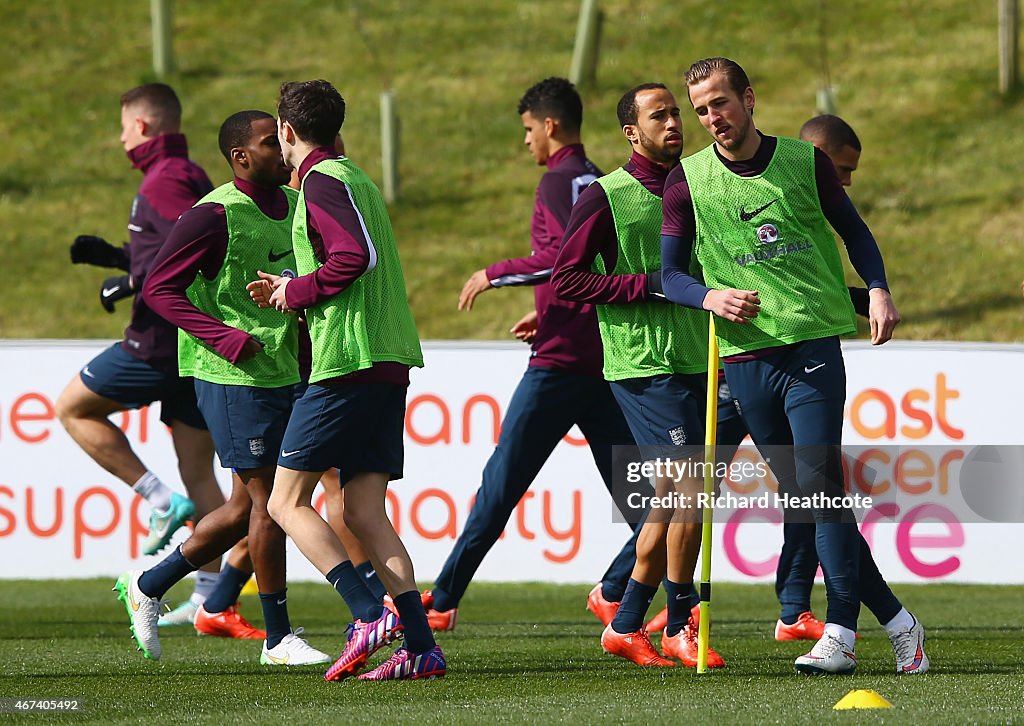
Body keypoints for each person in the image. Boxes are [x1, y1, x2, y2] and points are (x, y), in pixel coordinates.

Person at [661, 56, 928, 675]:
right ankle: (897, 620)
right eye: (700, 110)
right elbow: (669, 274)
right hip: (745, 359)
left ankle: (839, 631)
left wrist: (879, 288)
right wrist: (709, 296)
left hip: (811, 351)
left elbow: (854, 232)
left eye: (720, 103)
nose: (711, 118)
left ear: (749, 99)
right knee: (813, 499)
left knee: (818, 487)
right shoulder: (686, 181)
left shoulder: (804, 162)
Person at [417, 77, 641, 630]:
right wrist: (550, 309)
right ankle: (616, 589)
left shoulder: (558, 181)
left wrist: (493, 274)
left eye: (527, 130)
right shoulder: (611, 182)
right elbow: (598, 264)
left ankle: (442, 602)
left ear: (550, 126)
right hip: (604, 357)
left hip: (562, 363)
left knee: (501, 484)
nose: (526, 142)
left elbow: (561, 260)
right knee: (646, 501)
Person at [115, 110, 331, 667]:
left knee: (243, 508)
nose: (280, 148)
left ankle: (149, 581)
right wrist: (226, 338)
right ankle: (280, 638)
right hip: (230, 375)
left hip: (280, 370)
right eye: (267, 142)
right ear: (240, 158)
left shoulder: (293, 203)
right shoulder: (214, 214)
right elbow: (161, 289)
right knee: (272, 502)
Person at [248, 79, 445, 681]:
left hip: (349, 361)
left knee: (284, 500)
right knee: (362, 509)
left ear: (287, 130)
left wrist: (292, 290)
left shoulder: (319, 182)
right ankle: (419, 647)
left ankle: (366, 613)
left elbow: (350, 257)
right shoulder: (353, 175)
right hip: (384, 358)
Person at [551, 83, 722, 669]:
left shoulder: (700, 184)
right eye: (660, 115)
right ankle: (677, 623)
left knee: (672, 499)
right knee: (692, 492)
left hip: (698, 358)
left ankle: (624, 624)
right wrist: (647, 283)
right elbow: (567, 280)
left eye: (677, 112)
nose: (675, 122)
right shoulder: (605, 196)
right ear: (632, 132)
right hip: (642, 366)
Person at [56, 83, 232, 617]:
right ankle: (210, 599)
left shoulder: (167, 178)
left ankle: (159, 500)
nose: (120, 137)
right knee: (201, 473)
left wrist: (132, 280)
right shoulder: (188, 172)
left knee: (71, 407)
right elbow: (168, 244)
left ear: (145, 128)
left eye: (124, 126)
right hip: (191, 344)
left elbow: (193, 241)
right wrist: (117, 257)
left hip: (158, 343)